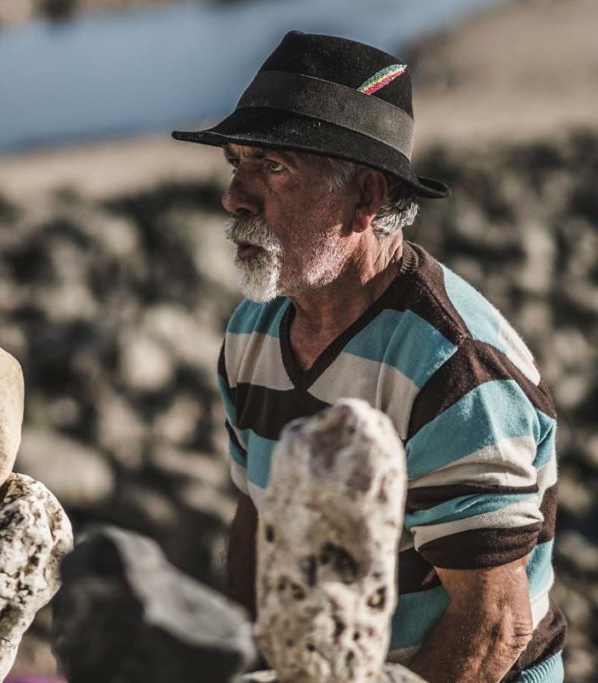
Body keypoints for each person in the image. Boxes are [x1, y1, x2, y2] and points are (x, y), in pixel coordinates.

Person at [171, 31, 564, 682]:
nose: (234, 195)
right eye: (236, 162)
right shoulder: (252, 332)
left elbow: (495, 627)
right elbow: (256, 520)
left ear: (366, 198)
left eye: (272, 167)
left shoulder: (454, 367)